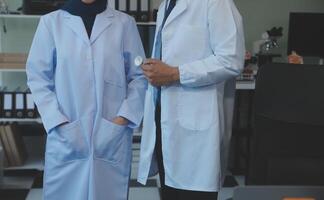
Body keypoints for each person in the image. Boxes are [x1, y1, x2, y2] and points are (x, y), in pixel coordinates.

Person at [26, 0, 147, 199]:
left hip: (110, 134)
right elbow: (38, 77)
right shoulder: (51, 23)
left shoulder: (124, 23)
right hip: (66, 133)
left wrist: (122, 119)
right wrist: (57, 121)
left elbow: (139, 77)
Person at [137, 0, 245, 199]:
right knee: (169, 191)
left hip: (197, 132)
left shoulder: (217, 3)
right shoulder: (165, 6)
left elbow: (231, 59)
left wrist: (176, 74)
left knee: (194, 193)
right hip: (165, 125)